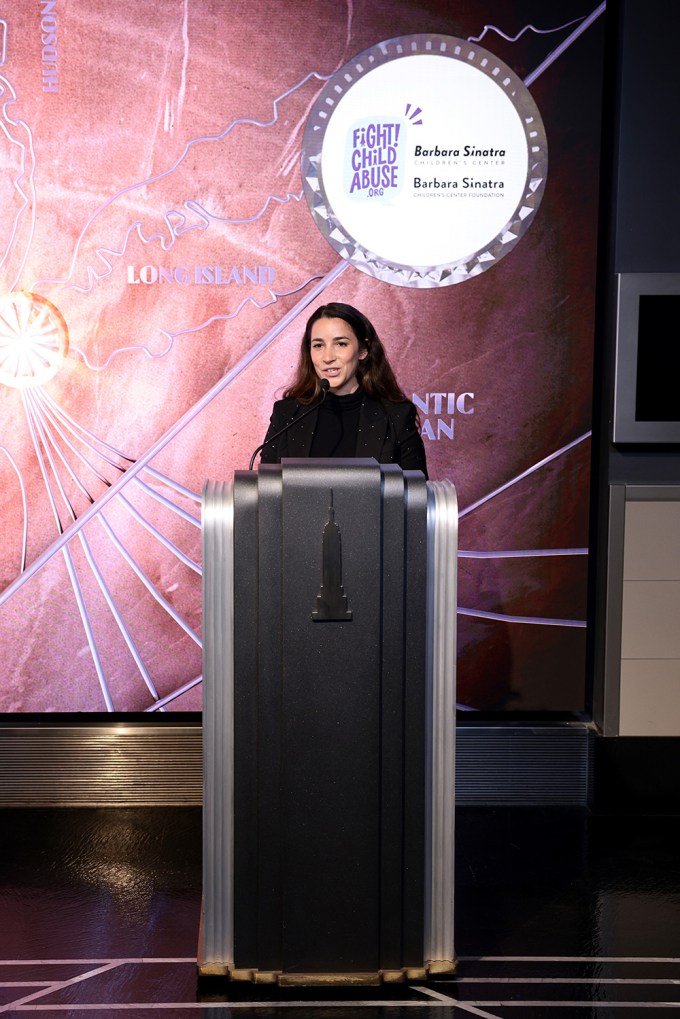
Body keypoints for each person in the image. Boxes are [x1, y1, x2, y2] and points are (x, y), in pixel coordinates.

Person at [259, 302, 428, 476]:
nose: (328, 357)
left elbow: (416, 494)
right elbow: (267, 489)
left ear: (363, 350)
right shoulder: (287, 414)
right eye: (318, 345)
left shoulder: (397, 415)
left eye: (340, 344)